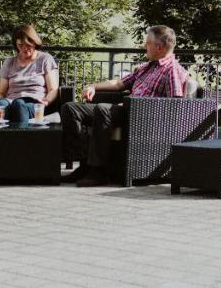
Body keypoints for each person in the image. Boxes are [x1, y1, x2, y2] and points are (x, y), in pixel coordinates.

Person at [62, 24, 189, 186]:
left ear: (159, 47)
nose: (144, 46)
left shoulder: (172, 70)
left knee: (103, 109)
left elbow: (175, 104)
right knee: (70, 108)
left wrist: (138, 104)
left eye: (147, 43)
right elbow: (118, 84)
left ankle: (98, 171)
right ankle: (84, 164)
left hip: (142, 116)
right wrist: (93, 86)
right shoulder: (146, 67)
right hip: (123, 110)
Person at [0, 24, 59, 125]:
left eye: (28, 45)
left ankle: (22, 139)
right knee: (0, 105)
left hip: (35, 102)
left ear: (34, 42)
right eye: (20, 45)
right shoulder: (9, 62)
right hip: (11, 101)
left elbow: (53, 89)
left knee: (19, 104)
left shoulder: (45, 59)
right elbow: (1, 92)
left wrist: (46, 101)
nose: (24, 49)